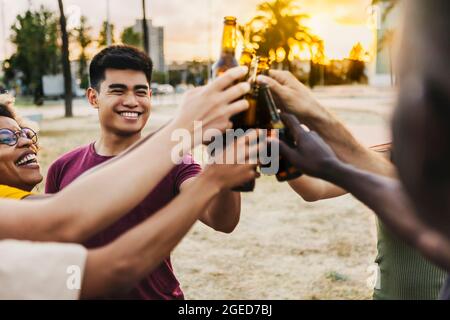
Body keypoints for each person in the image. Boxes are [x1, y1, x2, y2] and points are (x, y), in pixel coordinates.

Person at [0, 65, 259, 299]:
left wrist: (224, 167)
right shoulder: (63, 167)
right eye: (118, 90)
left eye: (141, 92)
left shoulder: (176, 161)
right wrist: (186, 131)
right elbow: (65, 231)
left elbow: (223, 221)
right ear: (93, 97)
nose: (132, 101)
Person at [266, 0, 450, 299]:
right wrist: (272, 148)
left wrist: (317, 117)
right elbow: (315, 189)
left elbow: (414, 194)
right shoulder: (397, 153)